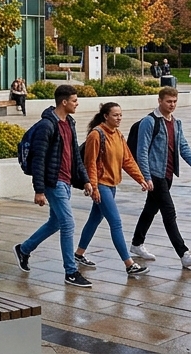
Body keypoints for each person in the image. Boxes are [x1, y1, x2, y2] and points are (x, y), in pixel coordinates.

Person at [13, 85, 99, 288]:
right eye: (75, 100)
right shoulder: (47, 125)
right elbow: (39, 159)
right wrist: (39, 190)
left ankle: (24, 249)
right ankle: (71, 271)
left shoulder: (69, 122)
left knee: (56, 222)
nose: (77, 104)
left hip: (66, 181)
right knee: (68, 223)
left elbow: (75, 155)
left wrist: (85, 179)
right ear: (64, 102)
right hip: (54, 182)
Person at [130, 87, 191, 269]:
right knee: (169, 212)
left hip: (168, 174)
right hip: (155, 175)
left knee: (150, 210)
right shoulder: (149, 122)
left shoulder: (176, 123)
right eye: (168, 101)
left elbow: (183, 146)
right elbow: (141, 151)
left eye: (174, 101)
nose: (172, 105)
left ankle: (136, 244)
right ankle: (184, 253)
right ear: (159, 101)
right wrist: (146, 177)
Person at [74, 102, 151, 276]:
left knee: (94, 219)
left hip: (112, 185)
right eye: (115, 115)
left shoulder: (118, 135)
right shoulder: (96, 134)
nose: (119, 118)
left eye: (120, 115)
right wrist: (94, 187)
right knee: (116, 223)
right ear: (105, 116)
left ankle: (78, 254)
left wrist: (141, 179)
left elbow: (127, 160)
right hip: (101, 185)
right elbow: (90, 163)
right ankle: (129, 264)